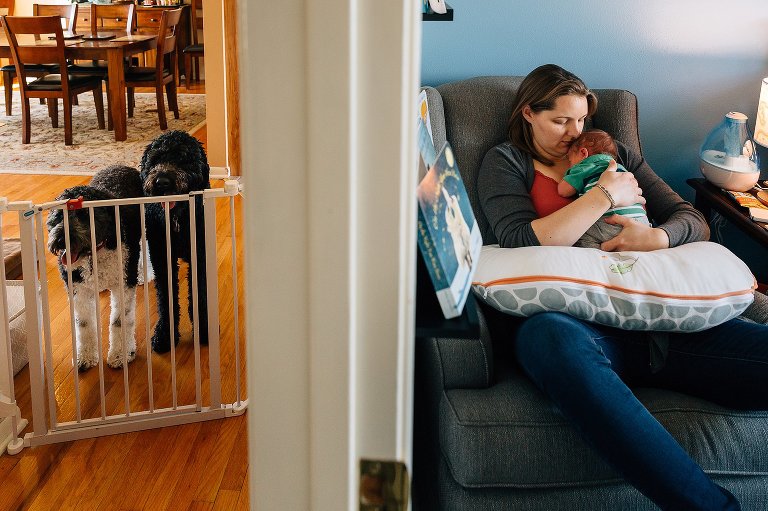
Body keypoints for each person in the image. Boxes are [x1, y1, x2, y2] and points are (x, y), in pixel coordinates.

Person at [477, 63, 768, 511]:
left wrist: (657, 237)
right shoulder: (505, 162)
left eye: (582, 119)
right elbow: (518, 238)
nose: (575, 133)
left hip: (665, 321)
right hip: (575, 327)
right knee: (548, 338)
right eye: (561, 120)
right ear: (528, 114)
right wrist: (605, 196)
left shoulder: (615, 153)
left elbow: (692, 219)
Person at [557, 128, 650, 249]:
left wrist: (569, 174)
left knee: (578, 233)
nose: (570, 164)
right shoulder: (621, 168)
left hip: (612, 222)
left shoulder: (585, 165)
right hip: (642, 223)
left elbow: (563, 191)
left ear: (583, 153)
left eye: (570, 160)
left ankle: (597, 254)